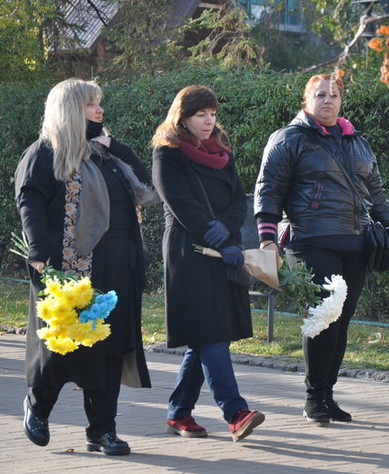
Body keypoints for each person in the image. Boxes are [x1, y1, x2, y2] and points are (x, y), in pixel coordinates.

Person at [254, 73, 389, 425]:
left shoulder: (357, 141)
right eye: (321, 94)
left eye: (334, 95)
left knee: (340, 323)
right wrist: (267, 238)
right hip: (310, 242)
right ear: (307, 100)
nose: (328, 100)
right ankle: (313, 400)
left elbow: (377, 194)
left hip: (355, 244)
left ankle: (327, 396)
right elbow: (269, 189)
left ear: (341, 101)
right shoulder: (289, 138)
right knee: (323, 318)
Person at [15, 78, 157, 455]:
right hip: (69, 266)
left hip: (119, 266)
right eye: (91, 104)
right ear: (70, 110)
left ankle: (101, 431)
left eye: (99, 103)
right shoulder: (45, 153)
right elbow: (30, 201)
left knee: (108, 348)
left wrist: (118, 147)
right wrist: (38, 251)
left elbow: (147, 188)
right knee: (63, 345)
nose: (100, 110)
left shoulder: (106, 155)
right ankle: (38, 406)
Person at [151, 85, 265, 442]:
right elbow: (179, 202)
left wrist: (227, 228)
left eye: (213, 114)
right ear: (183, 116)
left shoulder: (223, 152)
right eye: (201, 114)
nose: (208, 121)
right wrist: (212, 232)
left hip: (224, 250)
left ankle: (178, 413)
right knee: (211, 332)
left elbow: (237, 199)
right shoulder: (167, 153)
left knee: (207, 336)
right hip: (188, 252)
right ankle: (236, 412)